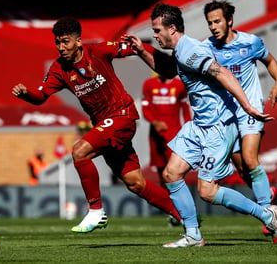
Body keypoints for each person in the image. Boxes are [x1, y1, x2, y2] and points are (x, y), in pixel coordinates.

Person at [124, 3, 277, 247]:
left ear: (172, 28)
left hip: (219, 127)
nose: (155, 35)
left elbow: (222, 73)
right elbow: (168, 70)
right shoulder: (181, 51)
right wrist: (142, 51)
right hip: (199, 125)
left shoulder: (190, 50)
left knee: (207, 191)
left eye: (157, 30)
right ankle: (193, 235)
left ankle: (267, 215)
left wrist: (248, 106)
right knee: (171, 174)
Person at [12, 16, 181, 233]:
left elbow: (135, 47)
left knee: (80, 152)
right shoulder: (59, 68)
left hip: (122, 116)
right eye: (58, 42)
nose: (61, 47)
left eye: (66, 42)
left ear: (78, 41)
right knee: (135, 183)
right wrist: (27, 94)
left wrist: (163, 60)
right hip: (105, 125)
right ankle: (185, 215)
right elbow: (41, 96)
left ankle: (95, 211)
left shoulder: (99, 51)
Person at [202, 0, 277, 235]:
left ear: (229, 21)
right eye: (210, 23)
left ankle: (268, 213)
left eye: (217, 21)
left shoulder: (250, 42)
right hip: (226, 114)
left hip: (251, 109)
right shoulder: (206, 47)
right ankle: (267, 193)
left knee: (250, 159)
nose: (213, 27)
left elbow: (269, 60)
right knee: (241, 168)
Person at [141, 72, 191, 186]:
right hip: (156, 135)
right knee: (160, 167)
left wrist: (188, 129)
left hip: (174, 134)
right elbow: (145, 108)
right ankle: (166, 196)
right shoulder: (149, 84)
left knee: (174, 169)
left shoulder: (179, 85)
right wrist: (154, 122)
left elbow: (185, 109)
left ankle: (176, 195)